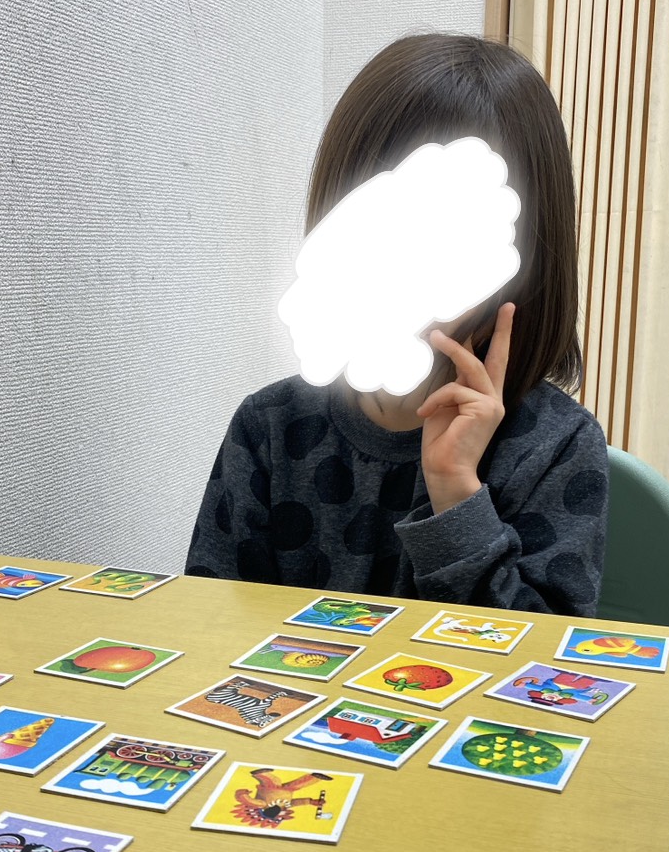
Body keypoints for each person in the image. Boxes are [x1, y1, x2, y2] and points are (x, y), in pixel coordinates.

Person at [186, 34, 608, 615]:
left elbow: (542, 660)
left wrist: (455, 490)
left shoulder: (554, 447)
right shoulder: (269, 429)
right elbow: (212, 624)